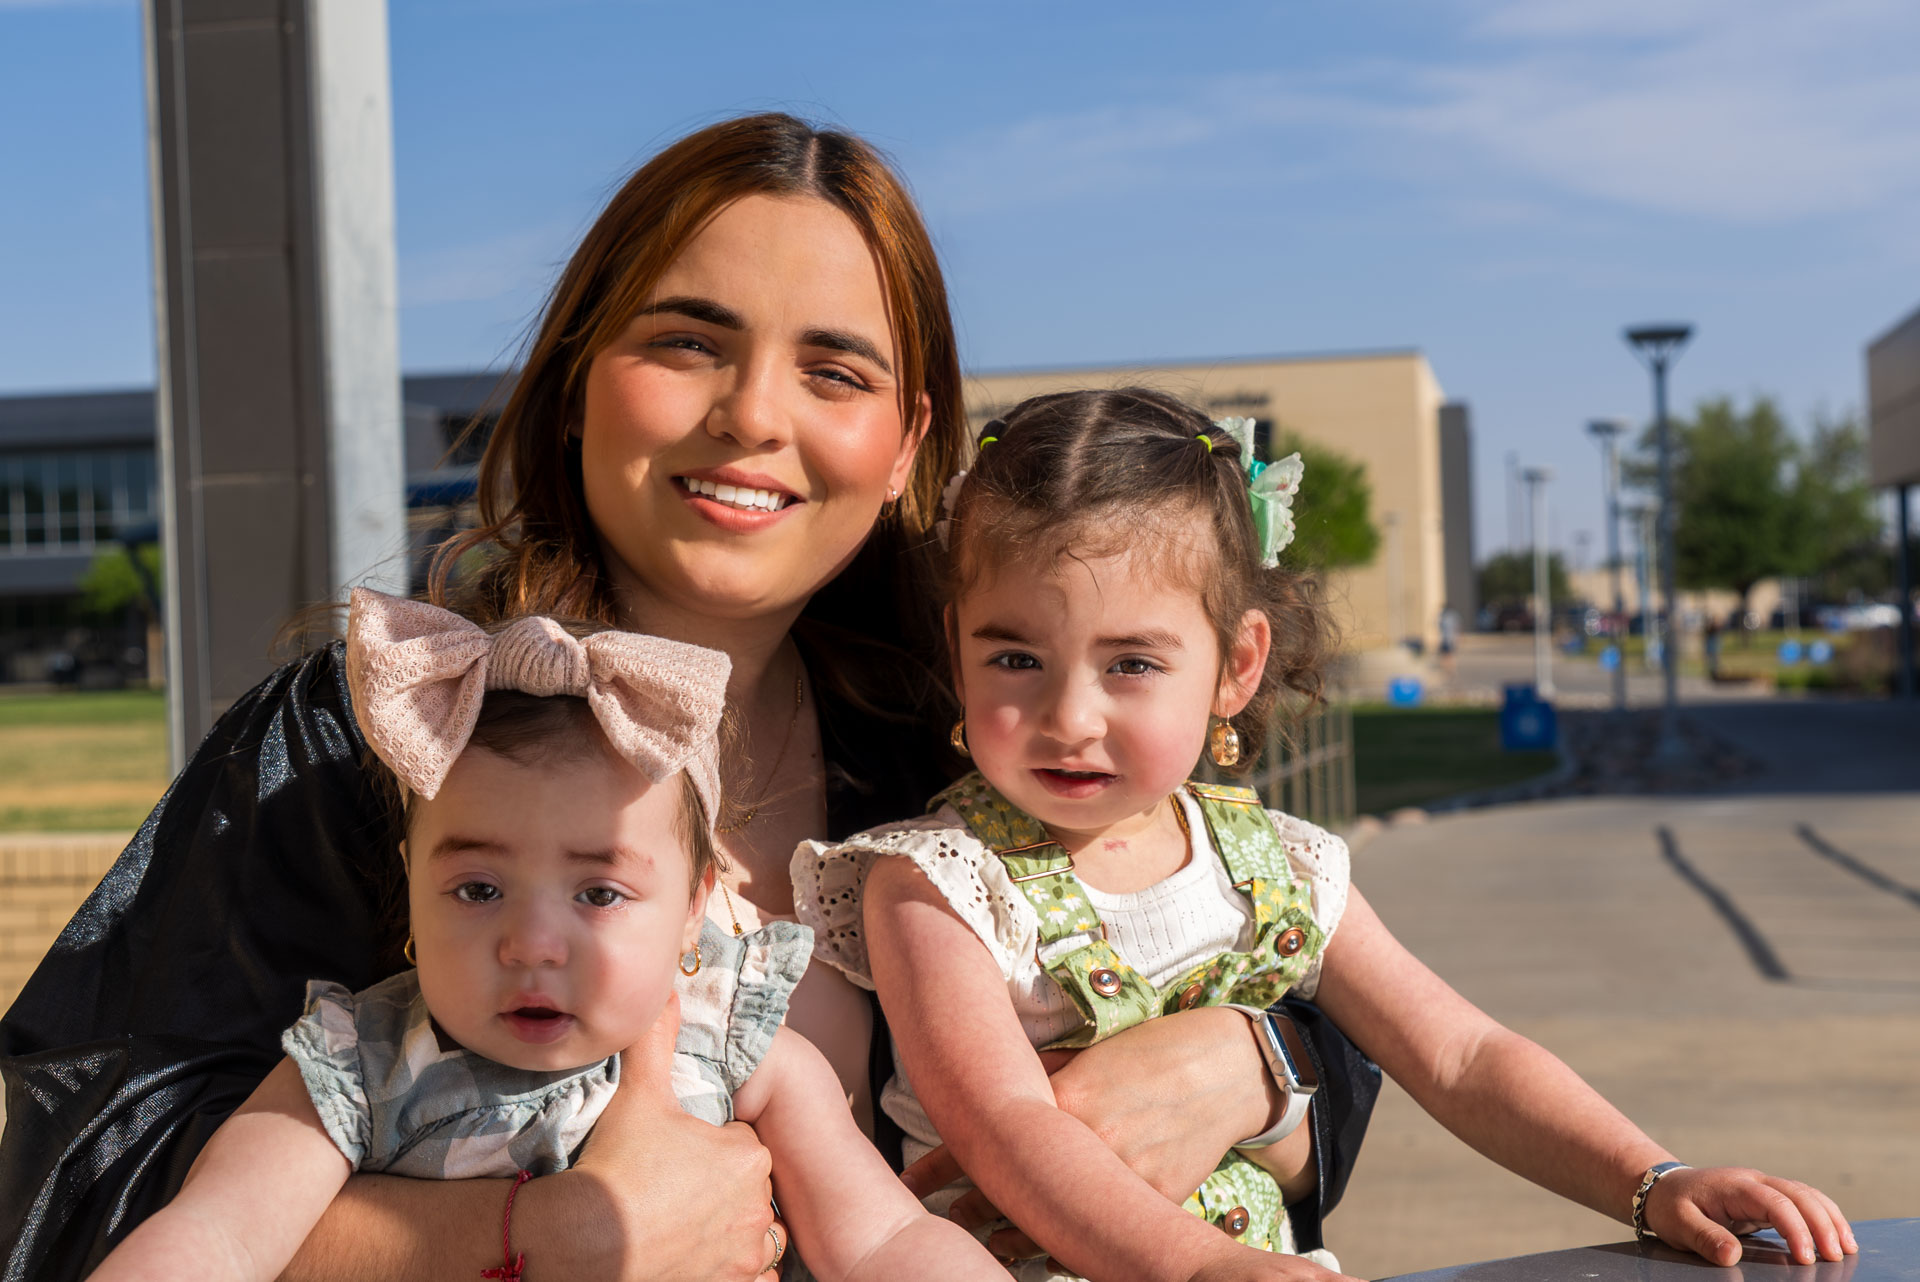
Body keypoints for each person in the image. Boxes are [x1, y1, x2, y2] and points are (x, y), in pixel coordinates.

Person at [0, 116, 1372, 1282]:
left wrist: (1262, 1072)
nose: (752, 416)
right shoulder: (374, 731)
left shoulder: (970, 734)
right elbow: (82, 1158)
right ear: (581, 380)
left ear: (907, 446)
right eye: (688, 343)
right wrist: (525, 1235)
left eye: (834, 370)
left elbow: (1301, 992)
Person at [796, 389, 1857, 1281]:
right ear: (956, 642)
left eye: (1131, 662)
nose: (1071, 715)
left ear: (1237, 664)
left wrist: (1654, 1179)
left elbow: (1463, 1053)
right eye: (1016, 657)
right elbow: (1005, 1127)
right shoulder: (933, 882)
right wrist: (1207, 1266)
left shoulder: (1281, 866)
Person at [86, 592, 1006, 1282]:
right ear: (408, 892)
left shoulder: (738, 1039)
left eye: (600, 892)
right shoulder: (356, 1065)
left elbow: (884, 1238)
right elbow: (217, 1237)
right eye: (477, 887)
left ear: (695, 904)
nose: (531, 942)